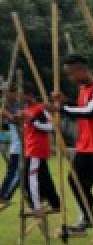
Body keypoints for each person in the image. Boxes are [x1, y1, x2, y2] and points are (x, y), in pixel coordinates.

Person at [54, 54, 93, 241]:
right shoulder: (83, 89)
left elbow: (91, 111)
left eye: (71, 74)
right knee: (75, 181)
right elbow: (82, 107)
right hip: (85, 146)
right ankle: (88, 216)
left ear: (81, 70)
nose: (70, 78)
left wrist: (61, 109)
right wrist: (67, 103)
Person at [12, 85, 59, 216]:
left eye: (22, 96)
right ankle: (55, 203)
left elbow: (51, 127)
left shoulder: (40, 109)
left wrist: (31, 120)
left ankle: (37, 207)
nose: (20, 99)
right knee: (44, 178)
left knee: (30, 177)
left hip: (36, 149)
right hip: (30, 148)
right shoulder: (26, 109)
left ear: (30, 95)